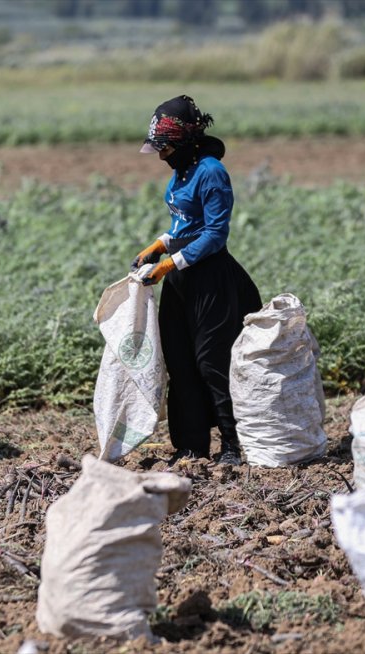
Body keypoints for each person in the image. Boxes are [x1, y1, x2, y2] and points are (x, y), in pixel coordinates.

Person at [131, 94, 261, 465]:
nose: (160, 155)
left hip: (211, 280)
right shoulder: (182, 171)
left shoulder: (211, 172)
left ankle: (233, 446)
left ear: (184, 142)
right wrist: (159, 245)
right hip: (181, 276)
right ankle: (192, 446)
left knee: (211, 362)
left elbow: (216, 233)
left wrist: (169, 264)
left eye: (165, 147)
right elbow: (185, 224)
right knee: (180, 358)